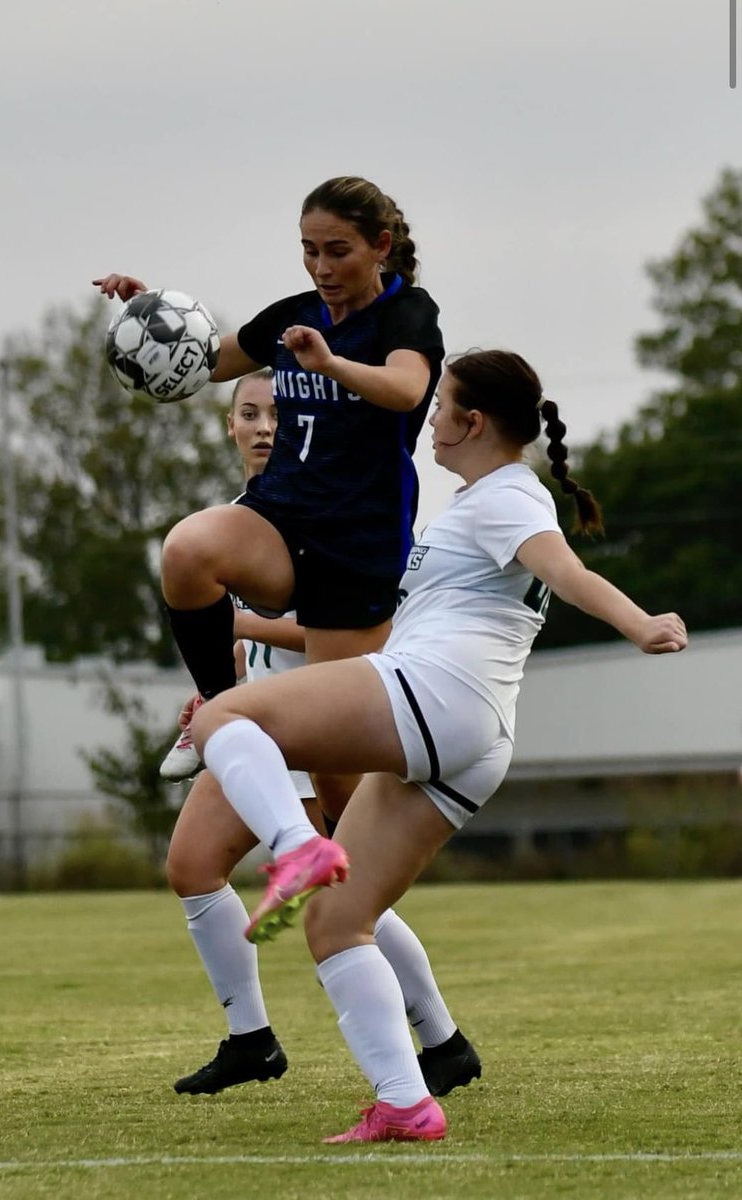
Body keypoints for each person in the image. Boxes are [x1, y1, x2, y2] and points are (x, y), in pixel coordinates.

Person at [183, 349, 688, 1143]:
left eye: (441, 405)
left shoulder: (507, 497)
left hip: (437, 694)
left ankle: (293, 848)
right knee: (336, 925)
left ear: (472, 422)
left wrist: (641, 624)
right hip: (477, 735)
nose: (430, 420)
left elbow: (565, 567)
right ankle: (406, 1102)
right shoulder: (478, 501)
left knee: (221, 720)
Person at [93, 175, 446, 821]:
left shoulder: (407, 315)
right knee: (187, 550)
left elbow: (404, 388)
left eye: (337, 250)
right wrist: (150, 318)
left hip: (356, 546)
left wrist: (331, 365)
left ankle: (360, 908)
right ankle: (218, 707)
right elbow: (208, 360)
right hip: (282, 518)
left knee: (336, 785)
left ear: (380, 245)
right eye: (309, 249)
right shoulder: (295, 313)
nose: (320, 266)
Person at [167, 370, 480, 1097]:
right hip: (263, 721)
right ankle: (252, 1038)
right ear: (228, 426)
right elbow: (258, 641)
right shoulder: (245, 515)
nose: (265, 426)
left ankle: (439, 1038)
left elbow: (358, 628)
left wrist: (237, 623)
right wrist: (222, 681)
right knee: (193, 866)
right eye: (249, 413)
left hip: (323, 721)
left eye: (279, 413)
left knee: (337, 896)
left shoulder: (330, 507)